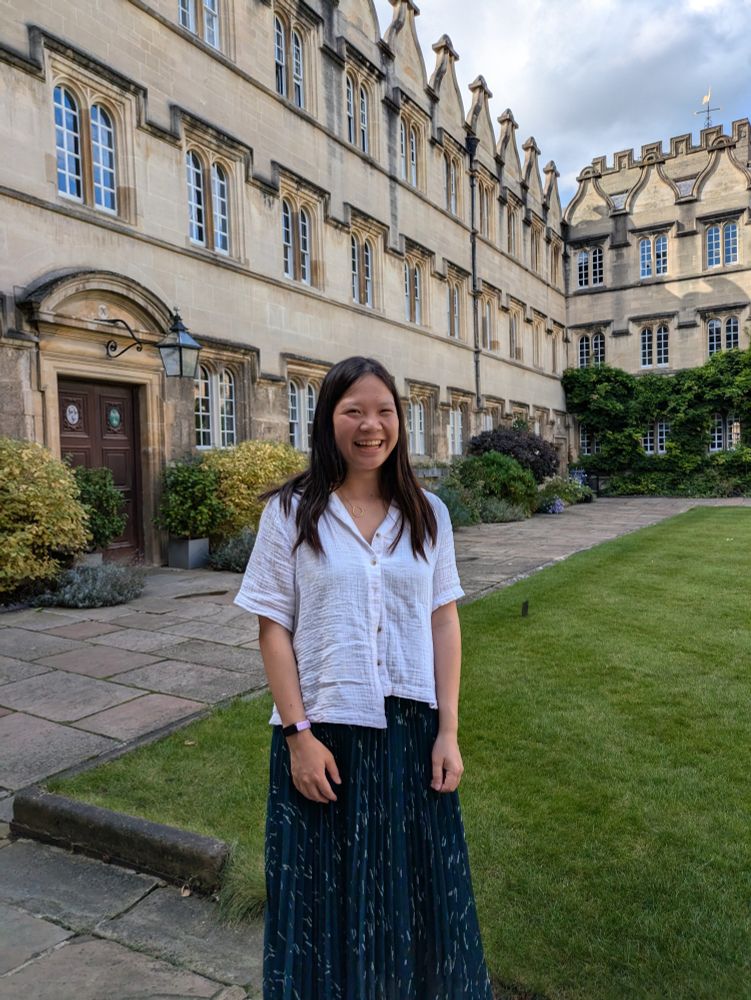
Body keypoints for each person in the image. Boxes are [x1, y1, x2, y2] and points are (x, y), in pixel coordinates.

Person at [235, 356, 493, 1000]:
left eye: (383, 411)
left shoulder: (428, 513)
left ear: (400, 423)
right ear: (327, 421)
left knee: (416, 895)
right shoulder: (291, 513)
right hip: (325, 738)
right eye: (353, 411)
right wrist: (298, 735)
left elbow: (443, 624)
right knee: (324, 898)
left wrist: (449, 731)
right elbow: (273, 628)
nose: (369, 426)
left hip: (412, 734)